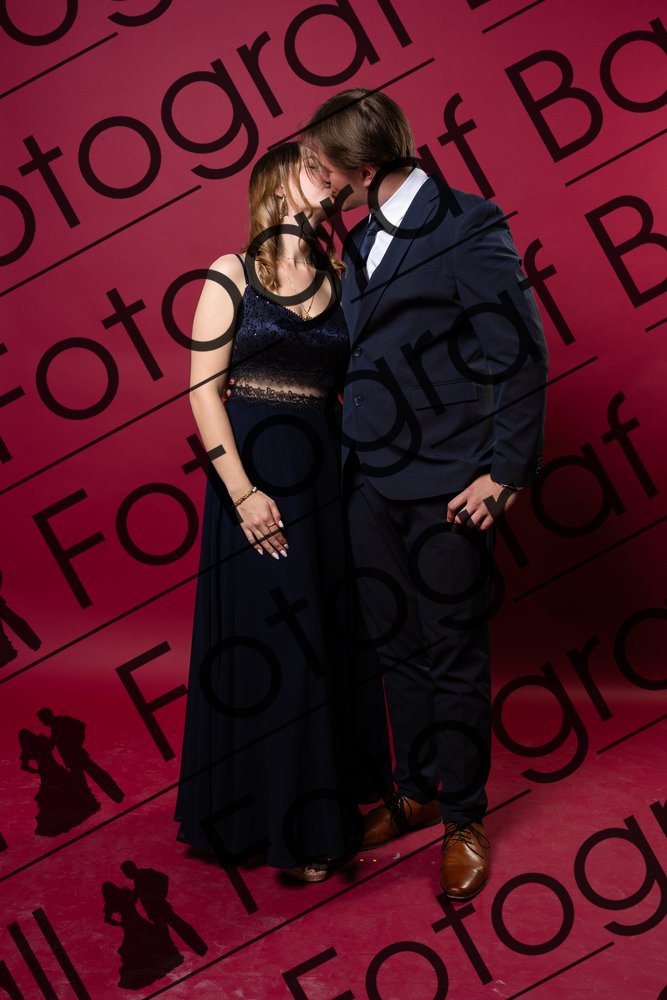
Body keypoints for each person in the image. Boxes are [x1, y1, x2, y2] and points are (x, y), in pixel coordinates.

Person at [302, 89, 549, 899]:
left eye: (321, 165)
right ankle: (415, 790)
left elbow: (520, 354)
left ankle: (464, 817)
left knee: (451, 651)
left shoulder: (468, 221)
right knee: (395, 646)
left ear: (360, 165)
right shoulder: (360, 234)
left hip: (448, 482)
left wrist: (504, 474)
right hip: (365, 480)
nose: (316, 177)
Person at [173, 142, 391, 882]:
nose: (327, 179)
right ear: (274, 181)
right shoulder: (230, 274)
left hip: (324, 479)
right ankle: (266, 824)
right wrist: (241, 493)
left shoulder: (343, 276)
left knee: (321, 642)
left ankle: (318, 813)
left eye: (332, 172)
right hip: (253, 479)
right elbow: (203, 393)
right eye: (310, 168)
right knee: (273, 648)